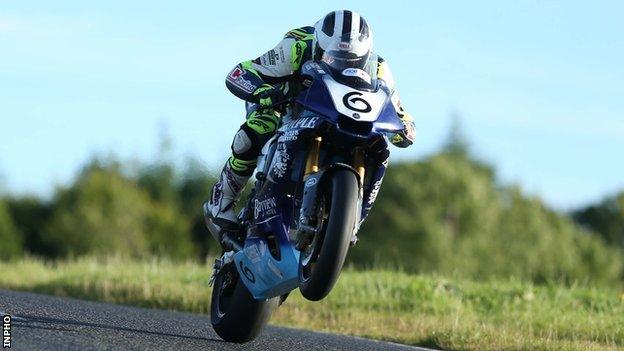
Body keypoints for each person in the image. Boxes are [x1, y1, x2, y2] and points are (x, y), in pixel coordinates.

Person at [204, 10, 415, 239]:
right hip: (285, 105)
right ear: (319, 46)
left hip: (341, 117)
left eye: (352, 60)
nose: (342, 63)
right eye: (333, 57)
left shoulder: (380, 69)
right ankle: (222, 200)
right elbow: (242, 72)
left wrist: (404, 128)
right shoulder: (296, 47)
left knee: (379, 147)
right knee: (258, 129)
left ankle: (350, 223)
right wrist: (265, 93)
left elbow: (397, 109)